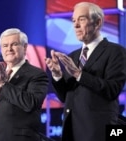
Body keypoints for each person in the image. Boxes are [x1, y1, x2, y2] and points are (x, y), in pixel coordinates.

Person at [45, 2, 126, 141]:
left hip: (98, 131)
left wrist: (78, 74)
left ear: (98, 22)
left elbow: (112, 89)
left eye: (81, 19)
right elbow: (66, 97)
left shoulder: (115, 52)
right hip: (71, 130)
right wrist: (57, 75)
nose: (75, 25)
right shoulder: (73, 56)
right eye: (73, 21)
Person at [0, 28, 49, 141]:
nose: (9, 49)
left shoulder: (37, 74)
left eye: (14, 44)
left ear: (25, 47)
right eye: (5, 46)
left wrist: (4, 84)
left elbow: (31, 103)